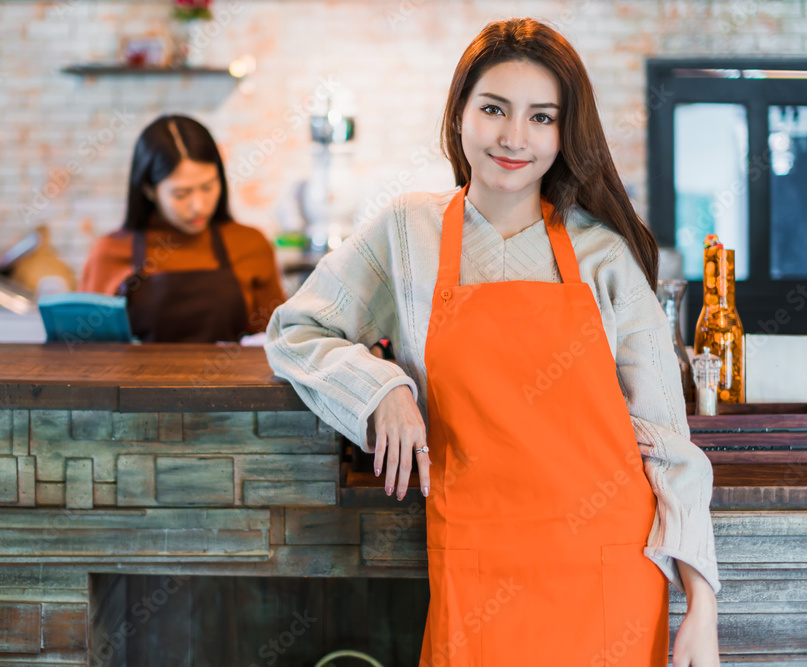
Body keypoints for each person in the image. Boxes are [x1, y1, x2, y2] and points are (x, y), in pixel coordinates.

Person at [265, 18, 721, 667]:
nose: (514, 137)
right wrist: (380, 386)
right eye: (494, 109)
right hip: (474, 571)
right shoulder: (407, 233)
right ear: (459, 116)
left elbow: (668, 441)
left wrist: (702, 605)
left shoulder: (602, 253)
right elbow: (294, 330)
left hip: (606, 573)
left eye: (541, 117)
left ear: (565, 132)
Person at [79, 115, 285, 342]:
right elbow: (88, 352)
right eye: (181, 193)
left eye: (208, 187)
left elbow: (277, 339)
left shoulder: (250, 244)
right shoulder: (109, 253)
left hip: (230, 378)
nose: (198, 206)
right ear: (149, 189)